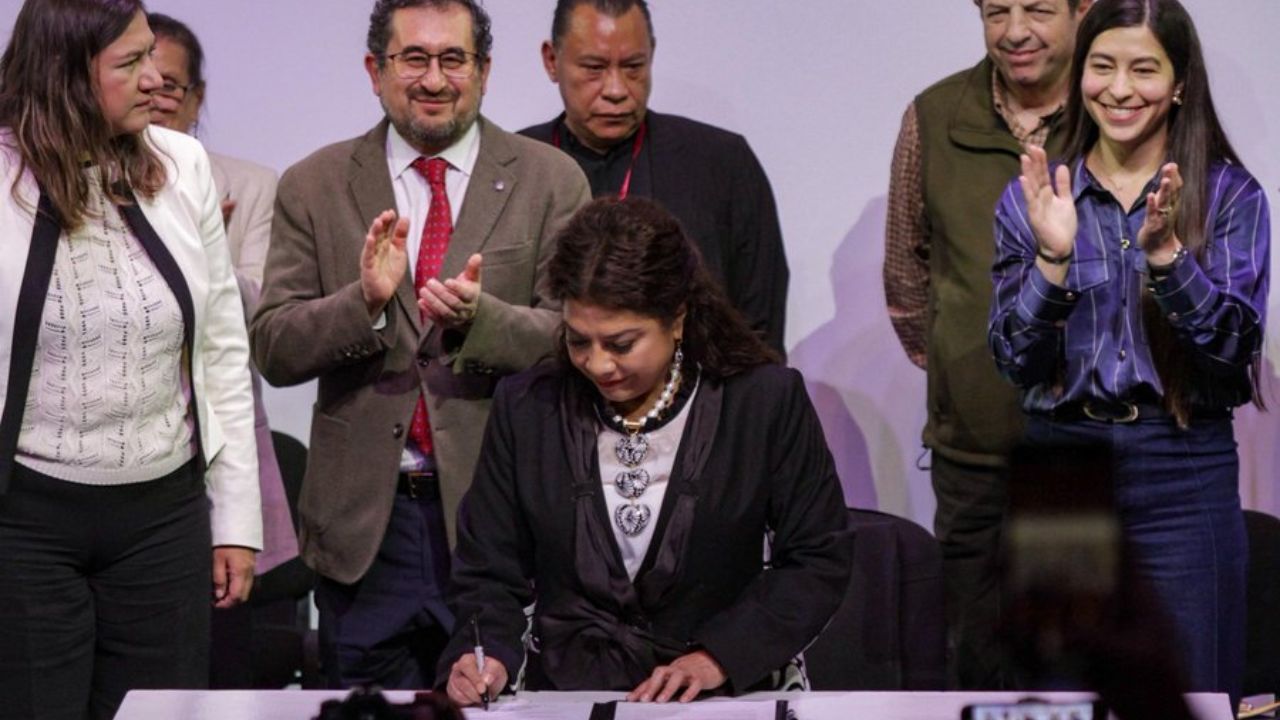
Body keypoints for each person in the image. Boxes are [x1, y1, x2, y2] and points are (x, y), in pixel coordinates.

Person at [250, 0, 590, 690]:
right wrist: (364, 305)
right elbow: (275, 348)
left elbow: (577, 339)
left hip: (500, 525)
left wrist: (481, 322)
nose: (434, 80)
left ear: (485, 71)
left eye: (453, 59)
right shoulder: (314, 185)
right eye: (414, 59)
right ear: (376, 70)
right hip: (365, 535)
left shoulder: (551, 181)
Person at [440, 197, 852, 706]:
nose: (596, 364)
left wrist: (718, 657)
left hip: (723, 697)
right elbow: (487, 569)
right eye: (577, 341)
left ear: (676, 319)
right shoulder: (528, 407)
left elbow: (817, 559)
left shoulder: (762, 402)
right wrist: (486, 654)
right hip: (567, 699)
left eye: (621, 343)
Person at [988, 0, 1269, 701]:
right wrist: (1052, 263)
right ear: (1080, 74)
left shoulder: (1229, 196)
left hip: (1182, 465)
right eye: (1102, 65)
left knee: (1189, 688)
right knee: (1059, 694)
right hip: (1062, 468)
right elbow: (1013, 360)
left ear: (1178, 84)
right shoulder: (1034, 195)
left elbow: (1233, 352)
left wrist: (1169, 259)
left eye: (1144, 69)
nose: (1119, 88)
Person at [0, 1, 261, 718]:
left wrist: (236, 518)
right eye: (130, 64)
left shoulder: (183, 164)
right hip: (25, 522)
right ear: (65, 77)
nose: (158, 81)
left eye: (153, 55)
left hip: (161, 520)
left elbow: (220, 349)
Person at [882, 0, 1092, 688]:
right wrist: (953, 356)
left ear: (1081, 10)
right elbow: (905, 270)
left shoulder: (1109, 111)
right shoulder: (935, 114)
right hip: (969, 447)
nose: (1015, 31)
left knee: (1067, 656)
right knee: (973, 654)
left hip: (1077, 441)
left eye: (1037, 8)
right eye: (996, 10)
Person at [144, 11, 305, 688]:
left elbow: (258, 318)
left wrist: (200, 243)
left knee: (221, 658)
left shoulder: (249, 183)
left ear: (198, 98)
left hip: (220, 447)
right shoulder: (80, 178)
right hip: (124, 456)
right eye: (138, 79)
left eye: (171, 87)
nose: (156, 96)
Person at [521, 0, 789, 356]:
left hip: (701, 403)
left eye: (633, 67)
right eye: (594, 68)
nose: (616, 90)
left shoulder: (722, 163)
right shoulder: (512, 168)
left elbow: (759, 326)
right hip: (548, 402)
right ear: (552, 61)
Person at [145, 12, 278, 290]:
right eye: (142, 85)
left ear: (197, 100)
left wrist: (206, 253)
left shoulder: (254, 187)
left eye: (168, 87)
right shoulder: (89, 182)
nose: (152, 101)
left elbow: (262, 305)